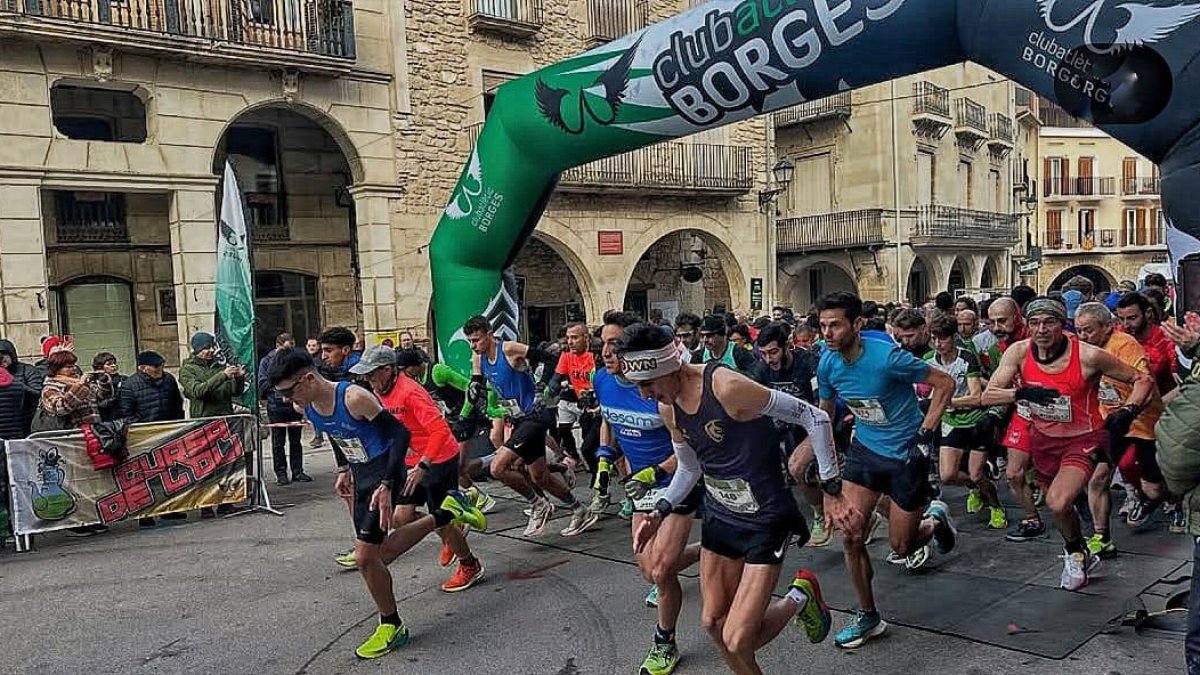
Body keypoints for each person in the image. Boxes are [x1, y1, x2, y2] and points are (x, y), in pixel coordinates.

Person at [618, 323, 838, 675]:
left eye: (648, 384)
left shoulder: (726, 387)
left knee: (737, 639)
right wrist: (660, 510)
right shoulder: (668, 408)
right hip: (722, 515)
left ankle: (800, 596)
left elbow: (816, 417)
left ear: (667, 366)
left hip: (766, 516)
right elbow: (689, 469)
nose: (644, 395)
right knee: (713, 624)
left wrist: (831, 488)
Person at [268, 348, 486, 659]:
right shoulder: (309, 407)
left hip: (386, 471)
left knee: (366, 557)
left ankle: (391, 624)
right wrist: (343, 469)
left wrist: (387, 484)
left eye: (289, 391)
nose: (288, 400)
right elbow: (335, 435)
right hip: (362, 477)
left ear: (308, 378)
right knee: (377, 556)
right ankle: (445, 514)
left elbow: (399, 433)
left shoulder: (354, 397)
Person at [815, 291, 957, 646]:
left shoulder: (887, 358)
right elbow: (824, 417)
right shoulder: (827, 363)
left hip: (906, 455)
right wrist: (821, 465)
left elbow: (946, 384)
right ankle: (868, 616)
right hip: (864, 451)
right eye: (822, 326)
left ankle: (934, 520)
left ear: (857, 325)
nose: (827, 333)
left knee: (902, 546)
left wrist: (926, 432)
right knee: (851, 535)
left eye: (835, 325)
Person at [982, 298, 1154, 590]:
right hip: (1043, 441)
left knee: (1058, 500)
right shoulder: (1019, 352)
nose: (1041, 329)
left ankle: (1076, 553)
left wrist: (1129, 410)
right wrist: (1022, 394)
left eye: (1049, 322)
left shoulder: (1088, 355)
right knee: (1059, 507)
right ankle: (1078, 548)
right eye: (1035, 323)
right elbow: (989, 395)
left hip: (1083, 439)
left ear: (1064, 325)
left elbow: (1142, 379)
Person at [588, 311, 702, 674]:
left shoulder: (659, 390)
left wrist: (658, 469)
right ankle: (718, 547)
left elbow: (689, 451)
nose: (606, 351)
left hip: (675, 482)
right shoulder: (602, 379)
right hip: (640, 486)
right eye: (603, 343)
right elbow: (609, 418)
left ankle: (664, 643)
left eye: (614, 344)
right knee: (649, 569)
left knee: (662, 569)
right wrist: (606, 457)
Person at [350, 346, 486, 592]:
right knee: (402, 518)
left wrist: (424, 464)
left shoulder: (410, 392)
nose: (367, 379)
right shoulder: (377, 390)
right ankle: (452, 526)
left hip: (439, 459)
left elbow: (441, 431)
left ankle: (469, 564)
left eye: (371, 374)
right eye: (365, 375)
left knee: (440, 520)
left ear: (388, 369)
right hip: (410, 463)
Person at [462, 315, 590, 537]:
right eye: (470, 341)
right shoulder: (478, 357)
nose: (474, 346)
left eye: (477, 340)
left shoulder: (509, 349)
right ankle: (579, 509)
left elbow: (549, 358)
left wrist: (542, 387)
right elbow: (476, 381)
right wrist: (473, 390)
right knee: (539, 476)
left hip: (535, 416)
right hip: (519, 419)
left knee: (498, 468)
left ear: (489, 334)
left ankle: (539, 504)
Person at [1073, 302, 1167, 555]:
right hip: (1109, 422)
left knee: (1154, 489)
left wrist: (1130, 409)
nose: (1083, 336)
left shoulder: (1124, 345)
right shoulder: (1080, 349)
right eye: (1079, 330)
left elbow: (1144, 382)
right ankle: (1102, 536)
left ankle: (1165, 501)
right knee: (1097, 477)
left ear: (1107, 327)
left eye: (1089, 330)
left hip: (1143, 421)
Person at [926, 314, 1007, 531]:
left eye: (943, 338)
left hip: (974, 419)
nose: (939, 344)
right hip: (951, 421)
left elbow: (976, 396)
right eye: (935, 338)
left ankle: (995, 505)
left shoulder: (967, 358)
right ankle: (975, 487)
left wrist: (947, 401)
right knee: (948, 475)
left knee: (977, 473)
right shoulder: (927, 360)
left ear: (953, 338)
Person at [751, 323, 830, 546]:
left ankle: (825, 512)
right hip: (782, 428)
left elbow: (823, 405)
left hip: (816, 422)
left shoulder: (809, 365)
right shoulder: (761, 369)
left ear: (788, 346)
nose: (769, 359)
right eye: (763, 353)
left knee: (803, 469)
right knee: (781, 468)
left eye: (773, 352)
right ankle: (813, 513)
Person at [36, 350, 113, 536]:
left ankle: (91, 517)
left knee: (89, 481)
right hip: (69, 441)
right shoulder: (50, 387)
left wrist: (102, 380)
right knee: (72, 482)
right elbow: (61, 408)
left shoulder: (79, 381)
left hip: (90, 437)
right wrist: (79, 386)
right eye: (67, 366)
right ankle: (76, 522)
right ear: (57, 369)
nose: (72, 369)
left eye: (73, 365)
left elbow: (100, 396)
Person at [119, 350, 186, 527]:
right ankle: (145, 512)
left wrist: (177, 425)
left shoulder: (169, 380)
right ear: (143, 368)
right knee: (143, 475)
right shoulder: (130, 385)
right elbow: (126, 414)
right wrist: (142, 429)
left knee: (170, 471)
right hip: (143, 435)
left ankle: (169, 508)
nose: (159, 370)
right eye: (155, 367)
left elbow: (177, 405)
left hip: (167, 432)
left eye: (161, 366)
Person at [259, 333, 310, 486]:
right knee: (278, 441)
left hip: (294, 404)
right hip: (276, 406)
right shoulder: (267, 361)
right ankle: (281, 473)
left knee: (296, 440)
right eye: (286, 348)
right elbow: (262, 382)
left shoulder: (296, 361)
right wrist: (280, 391)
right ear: (278, 346)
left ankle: (297, 471)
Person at [547, 322, 596, 476]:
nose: (570, 342)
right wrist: (551, 386)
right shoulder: (566, 356)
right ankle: (578, 458)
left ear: (586, 338)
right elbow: (556, 377)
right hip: (578, 402)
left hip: (595, 404)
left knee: (589, 442)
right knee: (564, 430)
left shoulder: (594, 355)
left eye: (574, 338)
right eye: (568, 338)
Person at [1116, 293, 1178, 398]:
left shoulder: (1167, 340)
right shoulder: (1117, 334)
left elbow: (1182, 383)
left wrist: (1162, 405)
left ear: (1148, 313)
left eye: (1132, 318)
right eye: (1121, 319)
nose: (1126, 325)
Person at [179, 332, 246, 419]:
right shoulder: (187, 369)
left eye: (213, 347)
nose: (212, 350)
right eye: (207, 347)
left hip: (226, 418)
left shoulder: (219, 365)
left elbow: (236, 392)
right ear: (198, 350)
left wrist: (239, 378)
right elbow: (197, 391)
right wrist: (223, 375)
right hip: (204, 420)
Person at [91, 352, 125, 422]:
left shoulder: (123, 379)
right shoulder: (93, 382)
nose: (113, 366)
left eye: (114, 363)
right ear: (100, 367)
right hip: (102, 417)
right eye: (109, 364)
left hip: (120, 416)